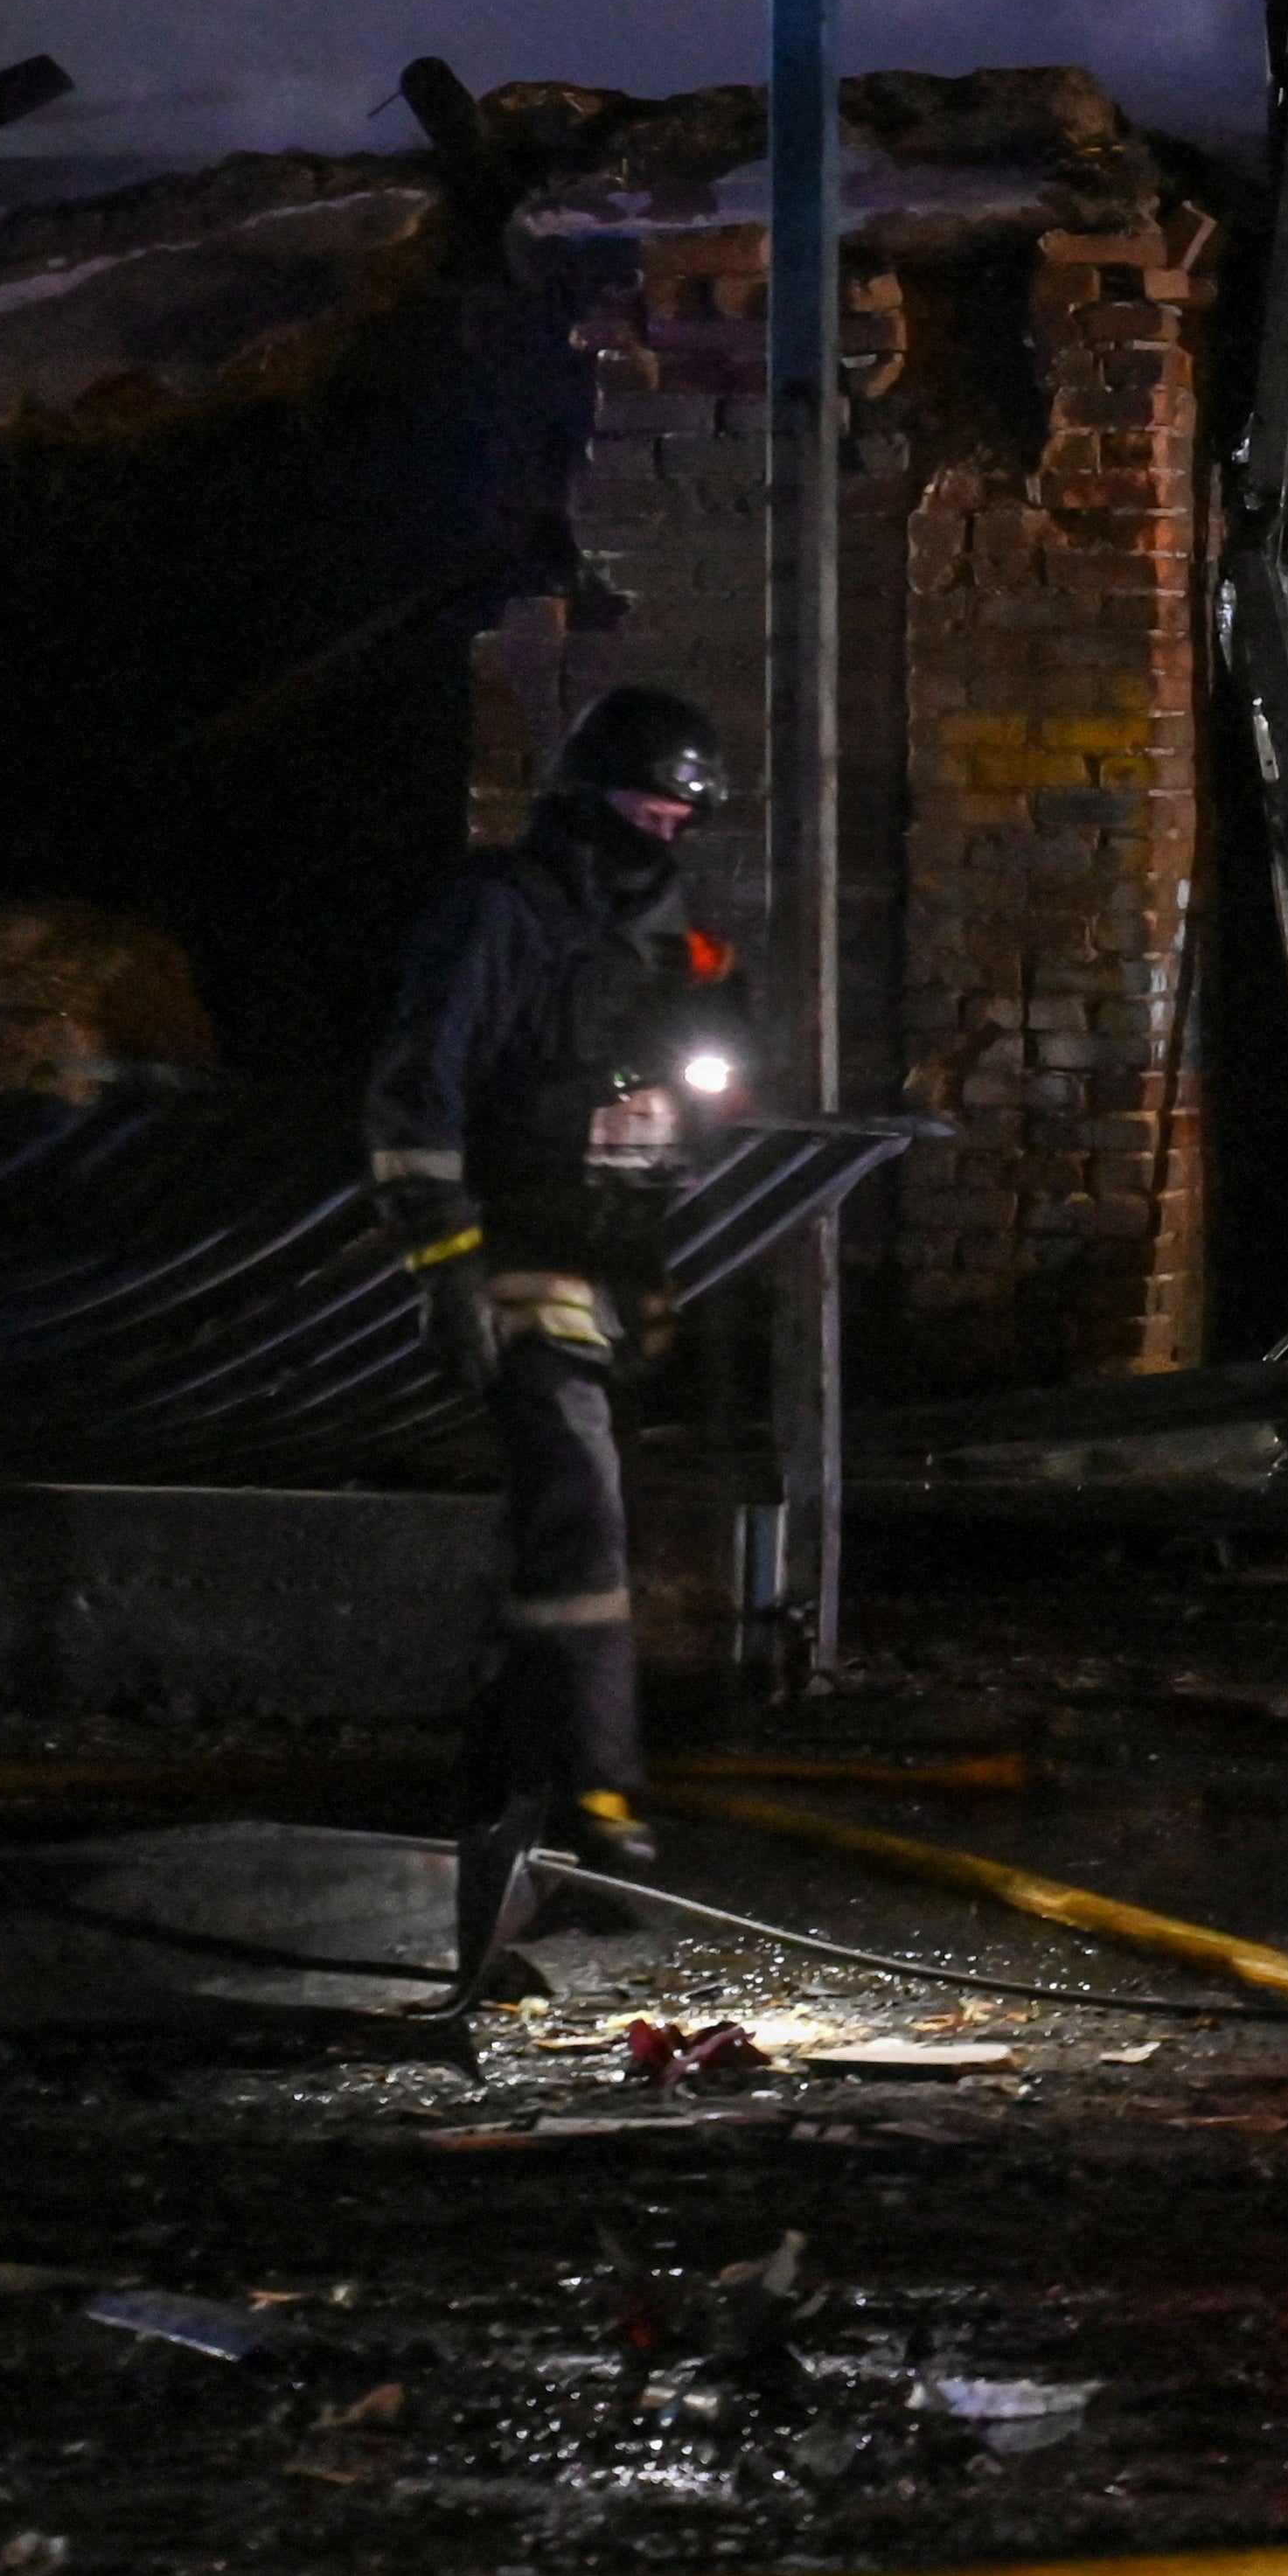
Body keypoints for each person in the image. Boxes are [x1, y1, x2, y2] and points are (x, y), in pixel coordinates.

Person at [369, 686, 748, 1997]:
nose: (667, 823)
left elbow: (681, 1093)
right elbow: (418, 1092)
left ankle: (497, 1794)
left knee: (571, 1536)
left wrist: (659, 1248)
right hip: (515, 1254)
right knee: (580, 1518)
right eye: (649, 799)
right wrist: (446, 1268)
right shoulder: (498, 914)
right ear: (588, 791)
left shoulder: (664, 933)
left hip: (614, 1259)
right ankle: (602, 1811)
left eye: (684, 808)